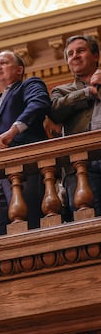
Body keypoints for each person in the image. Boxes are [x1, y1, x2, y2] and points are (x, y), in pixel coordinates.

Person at [0, 50, 50, 235]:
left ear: (19, 70)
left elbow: (39, 103)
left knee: (29, 222)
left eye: (3, 62)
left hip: (24, 167)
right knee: (1, 228)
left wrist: (13, 131)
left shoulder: (28, 85)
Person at [49, 35, 101, 215]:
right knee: (87, 221)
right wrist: (88, 92)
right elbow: (55, 111)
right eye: (70, 54)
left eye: (81, 51)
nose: (75, 56)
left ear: (96, 56)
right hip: (81, 168)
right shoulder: (62, 91)